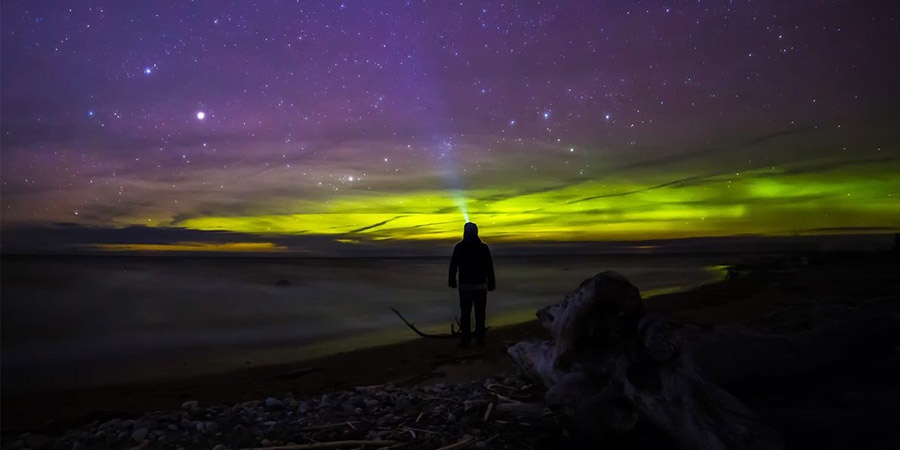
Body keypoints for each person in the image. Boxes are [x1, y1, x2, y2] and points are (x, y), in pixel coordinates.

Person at [448, 222, 495, 347]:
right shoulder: (483, 248)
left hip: (465, 287)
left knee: (465, 314)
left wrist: (452, 280)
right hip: (480, 287)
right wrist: (491, 283)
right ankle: (479, 339)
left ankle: (466, 340)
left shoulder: (459, 247)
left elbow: (453, 265)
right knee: (480, 314)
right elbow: (489, 267)